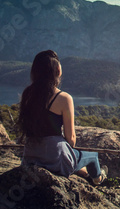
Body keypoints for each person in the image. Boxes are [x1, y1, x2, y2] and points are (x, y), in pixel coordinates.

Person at [17, 50, 107, 184]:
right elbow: (71, 139)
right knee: (92, 156)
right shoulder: (64, 98)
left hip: (30, 157)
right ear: (58, 70)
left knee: (74, 158)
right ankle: (98, 179)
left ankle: (86, 175)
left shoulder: (27, 94)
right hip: (55, 159)